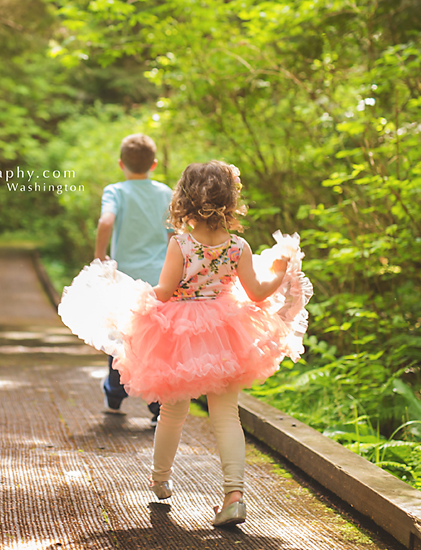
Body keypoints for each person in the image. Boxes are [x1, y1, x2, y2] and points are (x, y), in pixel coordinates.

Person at [58, 160, 312, 528]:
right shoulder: (238, 246)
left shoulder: (181, 243)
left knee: (172, 413)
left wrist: (135, 296)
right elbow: (256, 293)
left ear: (185, 200)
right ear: (229, 200)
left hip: (180, 336)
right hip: (227, 332)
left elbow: (164, 290)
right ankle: (234, 495)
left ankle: (161, 480)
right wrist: (278, 272)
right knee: (226, 416)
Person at [94, 133, 173, 426]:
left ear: (120, 164)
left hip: (123, 277)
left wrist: (99, 255)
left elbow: (106, 221)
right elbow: (172, 236)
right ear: (153, 164)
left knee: (120, 338)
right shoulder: (165, 193)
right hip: (158, 278)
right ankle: (156, 407)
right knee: (154, 340)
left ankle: (114, 396)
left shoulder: (115, 191)